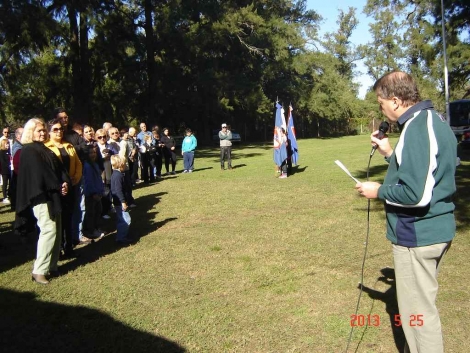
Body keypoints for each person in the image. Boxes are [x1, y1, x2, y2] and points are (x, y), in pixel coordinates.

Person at [355, 71, 457, 353]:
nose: (381, 109)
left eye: (381, 103)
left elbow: (416, 195)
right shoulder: (433, 120)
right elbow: (426, 172)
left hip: (418, 235)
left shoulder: (416, 129)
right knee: (421, 308)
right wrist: (390, 153)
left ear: (397, 101)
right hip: (434, 231)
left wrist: (379, 191)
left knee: (418, 316)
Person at [15, 118, 70, 284]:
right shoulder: (29, 150)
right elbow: (40, 175)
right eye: (39, 130)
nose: (42, 133)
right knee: (49, 229)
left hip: (53, 194)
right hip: (41, 196)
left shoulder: (45, 149)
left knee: (57, 230)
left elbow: (59, 168)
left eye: (44, 130)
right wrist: (57, 185)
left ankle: (52, 266)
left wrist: (64, 182)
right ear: (30, 132)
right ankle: (39, 270)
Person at [45, 118, 84, 255]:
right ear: (49, 132)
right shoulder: (46, 148)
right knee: (58, 219)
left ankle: (69, 246)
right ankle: (59, 247)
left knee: (69, 216)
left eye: (60, 129)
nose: (58, 132)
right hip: (56, 188)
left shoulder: (69, 146)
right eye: (55, 129)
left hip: (71, 186)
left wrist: (75, 178)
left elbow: (78, 164)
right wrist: (59, 183)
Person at [82, 145, 105, 239]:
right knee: (91, 213)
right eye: (90, 153)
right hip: (91, 194)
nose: (93, 155)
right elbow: (88, 181)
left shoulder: (94, 164)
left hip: (98, 192)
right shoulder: (87, 166)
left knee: (98, 211)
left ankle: (96, 228)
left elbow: (98, 179)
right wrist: (93, 193)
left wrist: (100, 190)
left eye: (94, 152)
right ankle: (91, 231)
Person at [110, 155, 132, 244]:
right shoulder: (118, 176)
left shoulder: (116, 174)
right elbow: (118, 190)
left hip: (118, 201)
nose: (126, 165)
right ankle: (121, 238)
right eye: (124, 164)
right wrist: (123, 201)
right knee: (126, 220)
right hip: (119, 202)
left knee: (120, 219)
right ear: (120, 164)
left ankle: (120, 236)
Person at [0, 139, 12, 203]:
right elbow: (2, 162)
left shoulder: (8, 151)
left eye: (8, 144)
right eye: (6, 144)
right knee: (5, 183)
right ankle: (5, 197)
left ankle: (9, 195)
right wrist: (9, 164)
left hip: (10, 169)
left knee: (10, 183)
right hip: (4, 170)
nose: (8, 145)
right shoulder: (1, 152)